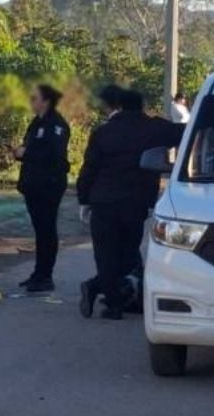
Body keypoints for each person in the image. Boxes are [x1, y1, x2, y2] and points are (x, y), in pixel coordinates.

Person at [76, 87, 185, 320]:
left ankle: (111, 303)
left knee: (105, 254)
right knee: (127, 255)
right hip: (134, 202)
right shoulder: (154, 128)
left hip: (103, 200)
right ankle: (99, 290)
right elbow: (185, 133)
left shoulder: (103, 132)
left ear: (119, 106)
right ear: (142, 105)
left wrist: (84, 199)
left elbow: (89, 169)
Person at [13, 84, 71, 293]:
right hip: (33, 184)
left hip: (49, 185)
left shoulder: (56, 124)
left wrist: (25, 153)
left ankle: (45, 275)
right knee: (40, 231)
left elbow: (52, 156)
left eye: (34, 98)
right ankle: (38, 273)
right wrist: (21, 153)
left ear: (45, 101)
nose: (31, 101)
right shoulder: (36, 123)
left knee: (47, 230)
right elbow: (33, 150)